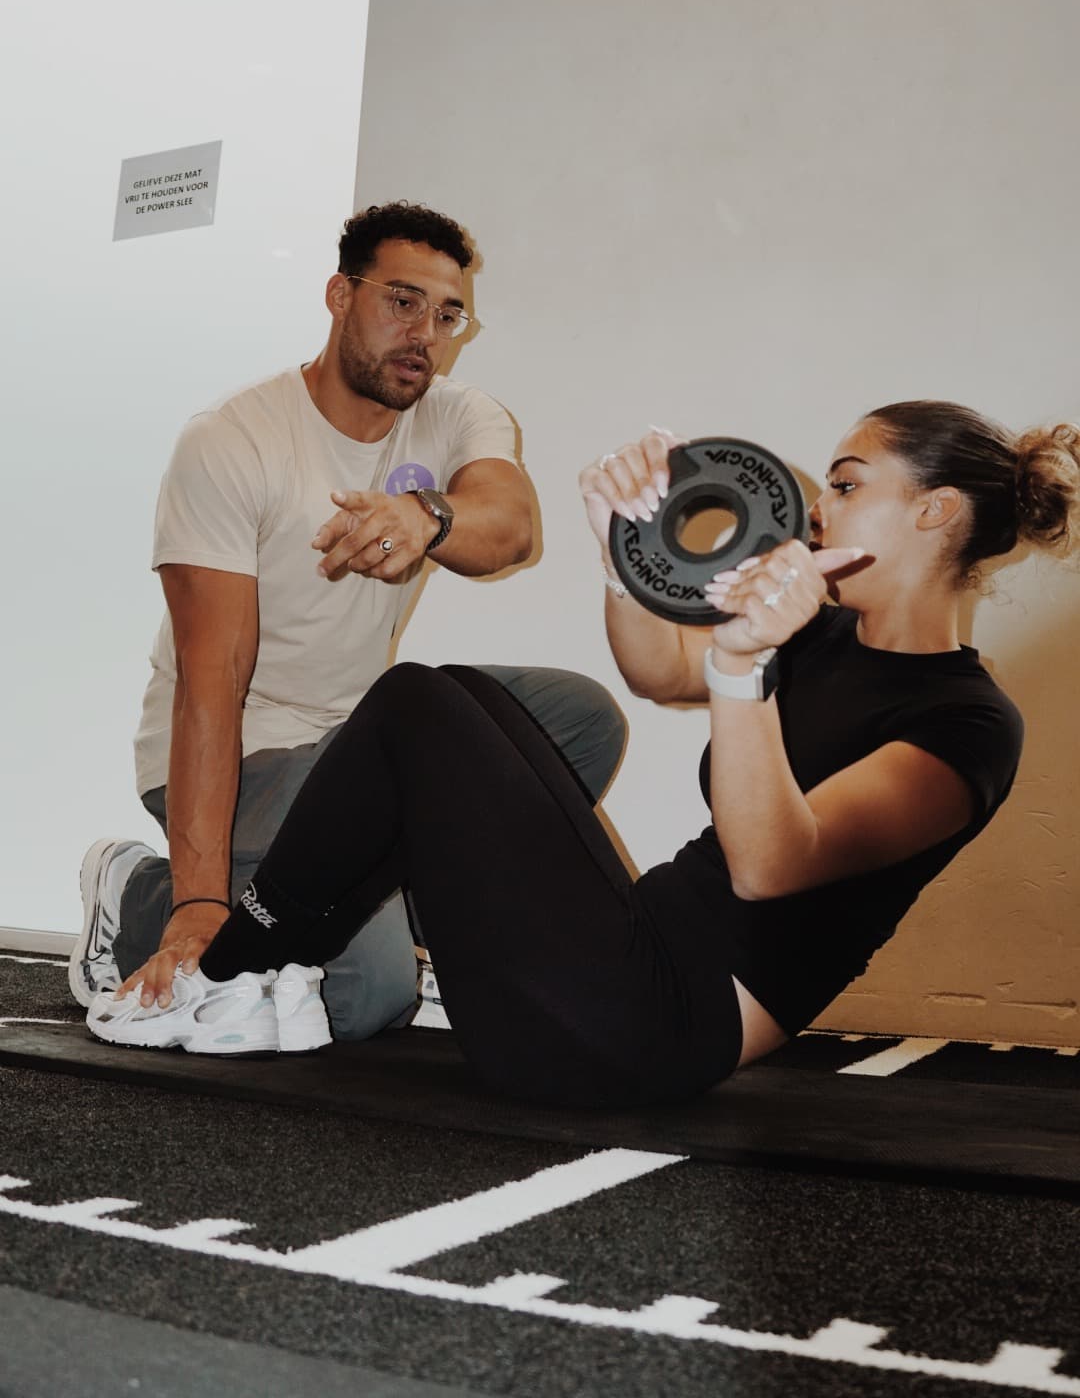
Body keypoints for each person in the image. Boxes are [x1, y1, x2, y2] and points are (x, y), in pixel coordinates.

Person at [84, 402, 1080, 1108]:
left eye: (850, 483)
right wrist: (620, 556)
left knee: (416, 705)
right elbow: (658, 670)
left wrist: (742, 667)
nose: (821, 504)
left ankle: (228, 970)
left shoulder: (970, 723)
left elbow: (772, 863)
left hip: (643, 1031)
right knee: (458, 697)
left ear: (935, 510)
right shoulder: (822, 637)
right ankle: (263, 969)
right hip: (625, 959)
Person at [69, 202, 625, 1041]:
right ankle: (136, 889)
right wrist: (197, 904)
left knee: (578, 720)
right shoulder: (231, 441)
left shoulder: (457, 414)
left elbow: (509, 526)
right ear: (339, 295)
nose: (425, 334)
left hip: (354, 748)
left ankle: (400, 907)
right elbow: (211, 684)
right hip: (242, 758)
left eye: (447, 315)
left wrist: (426, 516)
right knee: (368, 1000)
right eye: (402, 301)